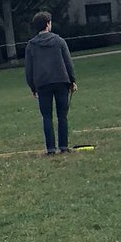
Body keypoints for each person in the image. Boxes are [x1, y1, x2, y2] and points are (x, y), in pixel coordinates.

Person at [25, 11, 78, 155]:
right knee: (62, 115)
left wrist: (32, 87)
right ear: (48, 23)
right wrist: (72, 80)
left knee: (47, 116)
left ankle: (50, 148)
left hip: (42, 84)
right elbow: (68, 62)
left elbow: (29, 69)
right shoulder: (59, 41)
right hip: (61, 81)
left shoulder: (31, 45)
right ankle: (63, 146)